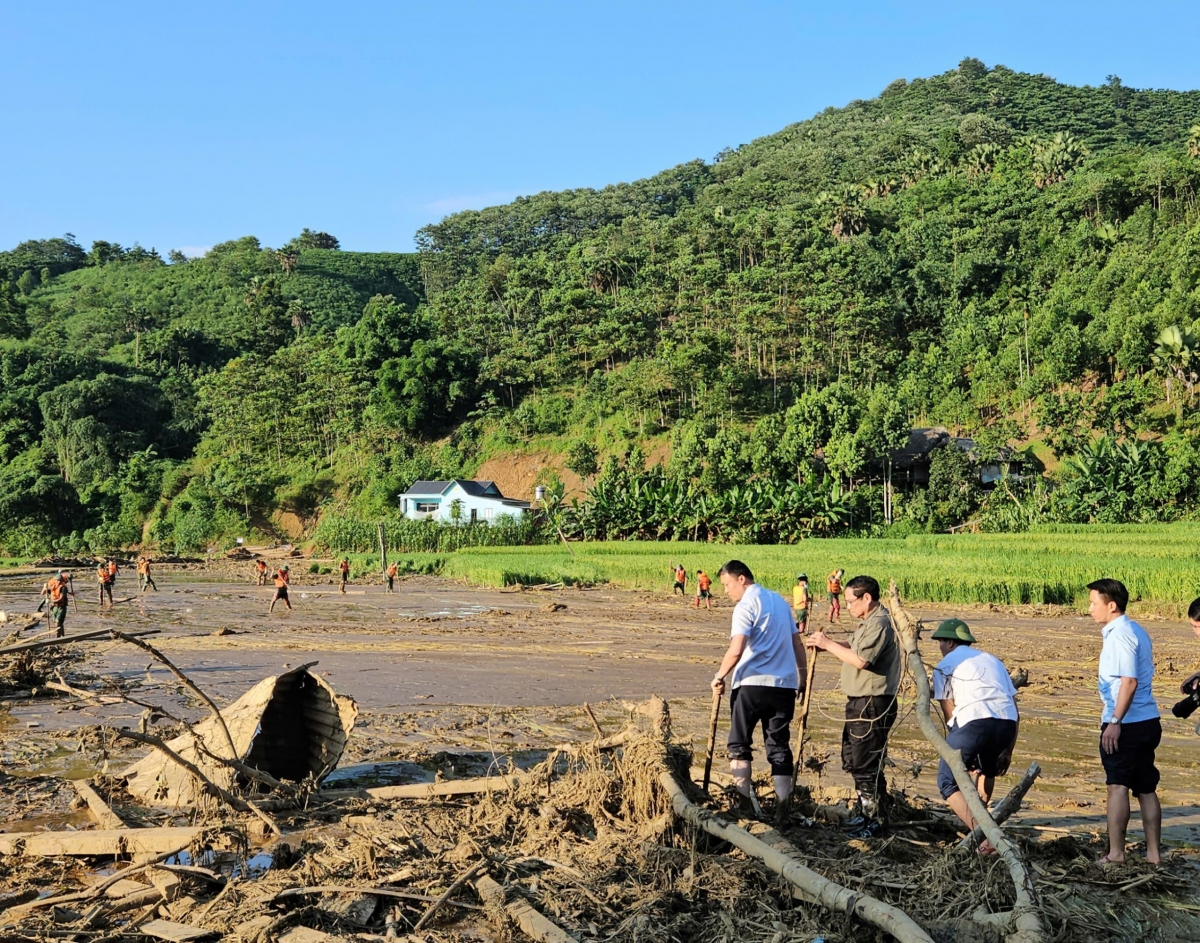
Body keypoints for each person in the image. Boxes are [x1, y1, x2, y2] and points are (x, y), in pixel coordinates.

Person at [805, 574, 900, 838]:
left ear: (866, 598)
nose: (847, 607)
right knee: (854, 757)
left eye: (850, 602)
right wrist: (829, 646)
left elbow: (861, 660)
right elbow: (855, 647)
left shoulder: (880, 623)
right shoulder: (868, 622)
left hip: (871, 702)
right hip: (860, 701)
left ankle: (873, 819)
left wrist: (828, 644)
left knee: (866, 761)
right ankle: (866, 811)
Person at [711, 560, 807, 818]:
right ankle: (782, 809)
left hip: (751, 684)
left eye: (727, 585)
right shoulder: (780, 602)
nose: (727, 591)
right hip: (784, 686)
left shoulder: (745, 606)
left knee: (739, 744)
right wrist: (803, 678)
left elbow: (737, 649)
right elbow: (797, 643)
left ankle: (744, 807)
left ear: (742, 579)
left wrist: (719, 676)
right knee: (778, 745)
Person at [1088, 578, 1161, 865]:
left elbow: (1129, 681)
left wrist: (1115, 721)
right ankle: (1153, 855)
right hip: (1147, 719)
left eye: (1094, 603)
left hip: (1127, 723)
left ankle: (1116, 853)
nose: (1090, 609)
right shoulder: (1137, 630)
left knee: (1117, 785)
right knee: (1145, 787)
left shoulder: (1119, 636)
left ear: (1112, 605)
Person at [930, 618, 1020, 852]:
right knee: (988, 768)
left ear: (950, 642)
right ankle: (982, 814)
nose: (939, 647)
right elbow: (1013, 705)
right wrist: (1008, 749)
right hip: (1007, 722)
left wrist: (959, 747)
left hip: (974, 722)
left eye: (940, 642)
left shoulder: (944, 664)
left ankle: (985, 836)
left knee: (947, 781)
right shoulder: (992, 659)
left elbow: (948, 709)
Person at [40, 570, 74, 637]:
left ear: (62, 581)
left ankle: (57, 638)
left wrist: (51, 601)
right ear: (55, 580)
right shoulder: (53, 586)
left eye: (60, 581)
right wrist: (44, 588)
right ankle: (63, 636)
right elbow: (42, 593)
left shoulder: (63, 588)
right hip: (54, 607)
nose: (58, 582)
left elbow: (61, 598)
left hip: (62, 606)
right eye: (57, 580)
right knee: (57, 622)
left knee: (58, 622)